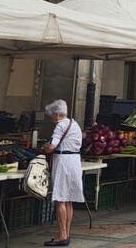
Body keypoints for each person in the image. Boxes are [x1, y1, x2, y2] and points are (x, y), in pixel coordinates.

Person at [39, 99, 83, 247]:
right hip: (75, 161)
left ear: (57, 115)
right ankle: (66, 233)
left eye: (52, 116)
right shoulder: (75, 124)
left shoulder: (60, 126)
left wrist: (44, 147)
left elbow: (52, 146)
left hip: (63, 162)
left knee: (60, 200)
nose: (52, 119)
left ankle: (62, 235)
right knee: (68, 199)